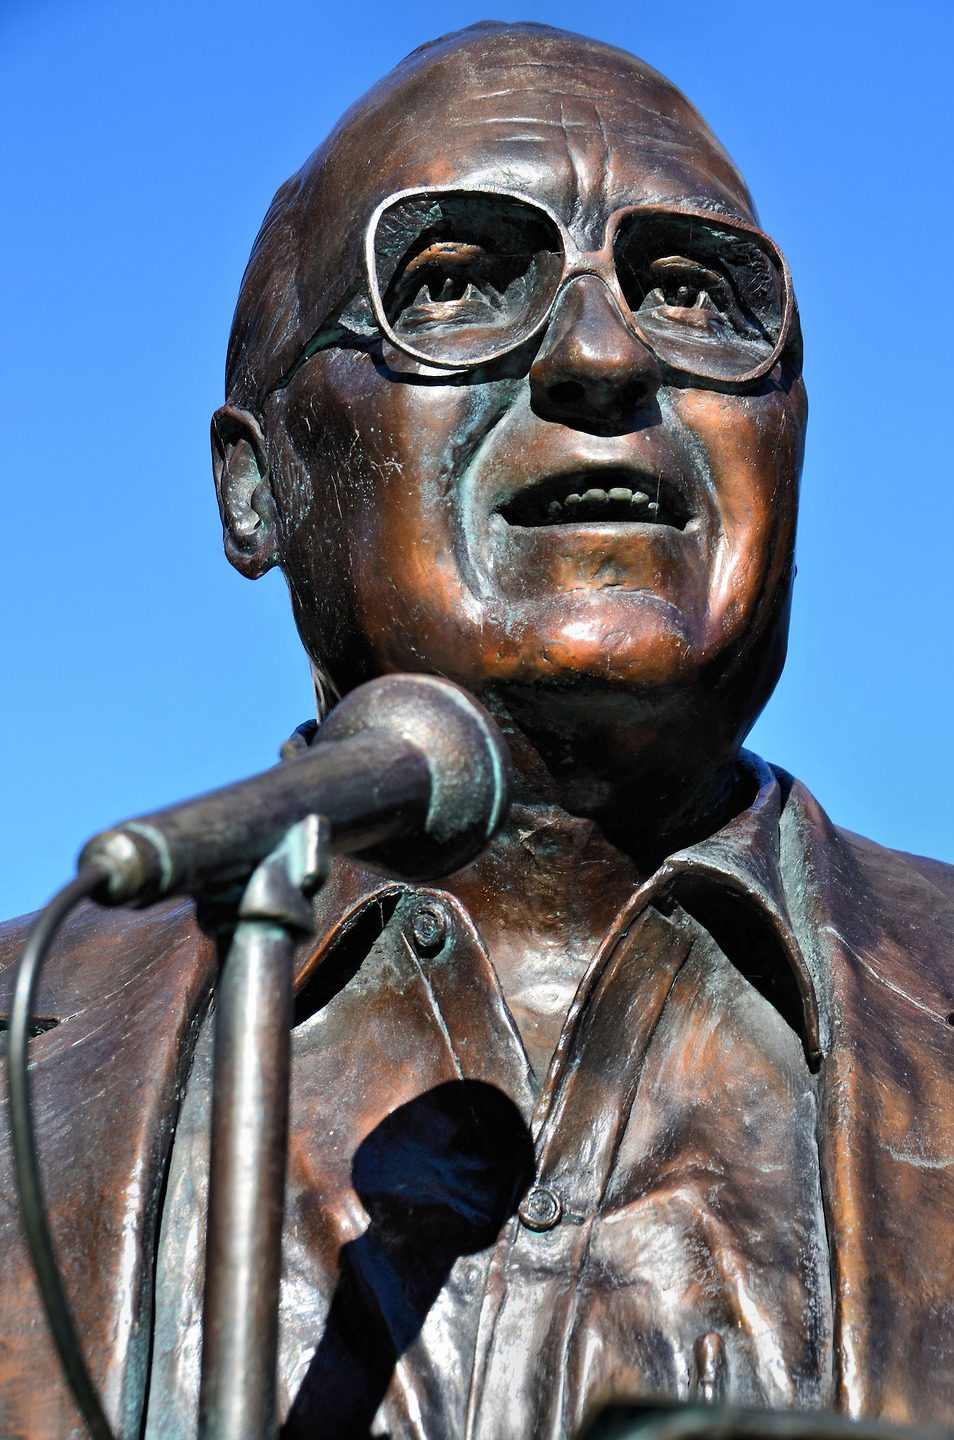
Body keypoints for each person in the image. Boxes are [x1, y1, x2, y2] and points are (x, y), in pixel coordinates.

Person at [2, 21, 953, 1440]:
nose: (600, 353)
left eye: (689, 290)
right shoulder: (27, 1055)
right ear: (256, 489)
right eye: (453, 285)